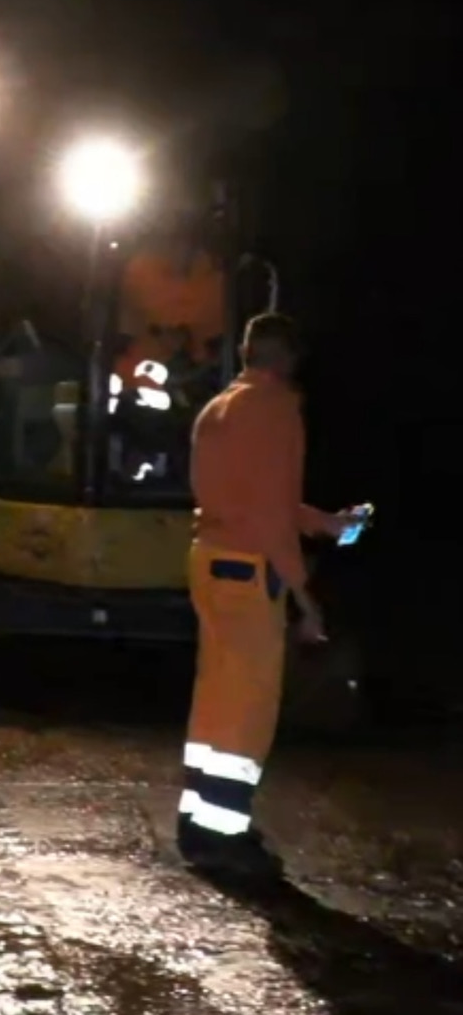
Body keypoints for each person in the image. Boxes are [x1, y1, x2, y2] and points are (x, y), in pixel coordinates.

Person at [177, 312, 356, 881]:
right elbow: (272, 519)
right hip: (250, 570)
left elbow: (255, 499)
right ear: (288, 358)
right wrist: (305, 600)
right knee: (248, 709)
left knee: (217, 697)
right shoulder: (277, 409)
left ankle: (200, 821)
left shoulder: (219, 409)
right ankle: (224, 838)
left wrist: (327, 523)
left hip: (209, 560)